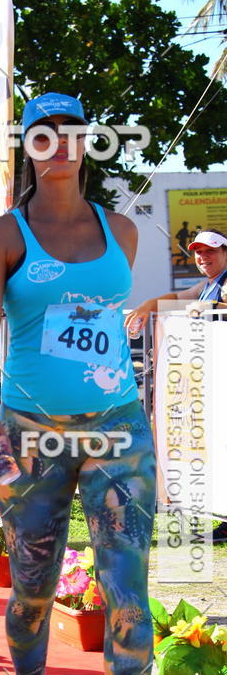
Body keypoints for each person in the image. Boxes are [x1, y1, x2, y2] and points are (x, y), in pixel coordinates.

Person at [0, 91, 174, 675]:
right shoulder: (4, 235)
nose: (58, 143)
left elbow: (108, 322)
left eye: (70, 132)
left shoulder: (122, 229)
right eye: (42, 134)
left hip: (117, 426)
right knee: (32, 585)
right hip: (31, 433)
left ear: (87, 143)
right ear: (27, 148)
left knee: (127, 586)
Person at [126, 228, 227, 543]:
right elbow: (175, 299)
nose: (202, 257)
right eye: (198, 252)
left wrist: (202, 310)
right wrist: (147, 306)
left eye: (210, 251)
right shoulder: (207, 285)